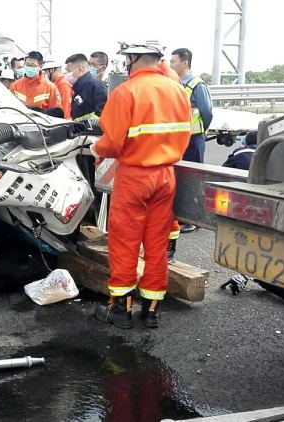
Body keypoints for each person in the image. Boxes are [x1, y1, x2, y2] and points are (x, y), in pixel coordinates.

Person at [90, 41, 191, 329]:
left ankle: (119, 308)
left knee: (125, 241)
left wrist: (98, 148)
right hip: (166, 176)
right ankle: (151, 310)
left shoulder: (126, 92)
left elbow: (111, 142)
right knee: (157, 243)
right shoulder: (178, 91)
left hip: (135, 176)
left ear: (133, 58)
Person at [170, 47, 213, 233]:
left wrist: (201, 131)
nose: (171, 65)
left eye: (174, 62)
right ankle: (181, 215)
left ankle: (193, 219)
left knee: (194, 178)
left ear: (185, 62)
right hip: (177, 139)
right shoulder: (174, 84)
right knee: (179, 176)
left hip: (194, 138)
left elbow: (206, 112)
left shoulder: (197, 85)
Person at [64, 54, 108, 120]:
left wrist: (81, 125)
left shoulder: (97, 86)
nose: (67, 74)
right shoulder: (78, 87)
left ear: (80, 70)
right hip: (80, 129)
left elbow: (102, 114)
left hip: (93, 130)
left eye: (69, 71)